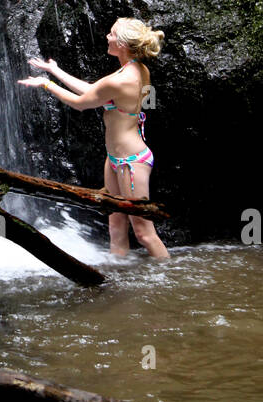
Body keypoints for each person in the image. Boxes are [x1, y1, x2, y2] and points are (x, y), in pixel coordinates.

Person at [18, 17, 169, 260]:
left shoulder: (122, 79)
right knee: (116, 227)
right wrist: (55, 70)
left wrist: (47, 85)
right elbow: (93, 90)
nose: (107, 37)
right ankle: (120, 283)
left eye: (111, 34)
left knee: (144, 233)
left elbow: (81, 103)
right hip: (115, 159)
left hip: (131, 161)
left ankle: (169, 281)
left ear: (122, 44)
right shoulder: (133, 69)